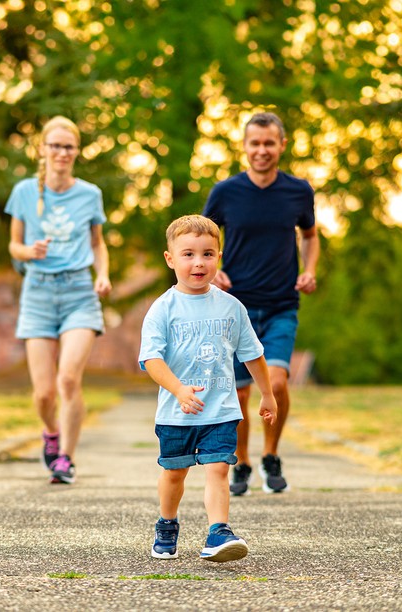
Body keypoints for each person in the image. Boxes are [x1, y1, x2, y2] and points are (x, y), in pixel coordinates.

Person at [138, 214, 277, 562]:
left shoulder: (232, 307)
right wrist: (179, 390)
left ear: (219, 257)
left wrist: (268, 393)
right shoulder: (162, 310)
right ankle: (167, 523)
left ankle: (218, 531)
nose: (198, 262)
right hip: (176, 411)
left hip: (220, 409)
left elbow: (253, 354)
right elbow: (151, 360)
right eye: (188, 254)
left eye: (207, 254)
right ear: (170, 259)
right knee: (174, 473)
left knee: (218, 467)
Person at [203, 111, 319, 496]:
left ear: (282, 145)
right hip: (236, 310)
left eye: (269, 143)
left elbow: (310, 235)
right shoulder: (225, 192)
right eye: (255, 143)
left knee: (279, 382)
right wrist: (212, 269)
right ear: (245, 146)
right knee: (238, 393)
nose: (262, 150)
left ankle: (271, 454)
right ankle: (243, 463)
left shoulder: (298, 191)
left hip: (281, 304)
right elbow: (203, 236)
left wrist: (309, 268)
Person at [5, 115, 111, 485]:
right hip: (37, 293)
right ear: (43, 149)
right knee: (44, 392)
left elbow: (98, 243)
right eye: (55, 145)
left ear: (76, 151)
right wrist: (29, 252)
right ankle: (50, 432)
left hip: (79, 293)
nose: (61, 152)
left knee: (68, 379)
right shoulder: (23, 192)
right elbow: (13, 245)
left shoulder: (90, 194)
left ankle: (66, 457)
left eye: (68, 146)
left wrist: (103, 275)